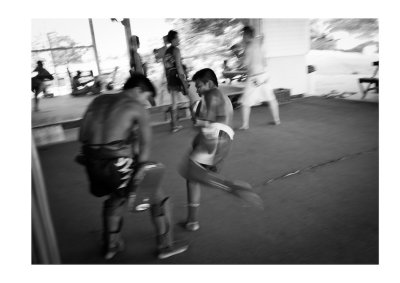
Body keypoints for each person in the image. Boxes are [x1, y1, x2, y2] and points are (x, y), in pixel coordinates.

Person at [77, 73, 188, 260]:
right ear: (138, 90)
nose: (145, 104)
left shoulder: (100, 99)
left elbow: (82, 135)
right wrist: (140, 177)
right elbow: (145, 147)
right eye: (145, 98)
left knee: (115, 197)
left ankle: (111, 246)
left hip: (91, 162)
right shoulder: (136, 107)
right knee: (159, 200)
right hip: (116, 163)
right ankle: (165, 245)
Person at [181, 68, 262, 232]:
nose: (196, 90)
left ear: (209, 83)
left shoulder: (211, 95)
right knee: (193, 177)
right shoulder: (222, 97)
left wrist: (194, 112)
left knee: (191, 173)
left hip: (213, 137)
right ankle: (192, 221)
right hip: (222, 139)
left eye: (198, 86)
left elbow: (204, 122)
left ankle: (232, 187)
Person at [238, 26, 280, 130]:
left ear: (246, 35)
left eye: (243, 36)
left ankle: (245, 125)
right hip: (264, 75)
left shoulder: (249, 47)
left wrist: (240, 57)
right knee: (271, 98)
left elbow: (245, 63)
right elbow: (265, 62)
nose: (242, 38)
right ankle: (277, 120)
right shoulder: (260, 44)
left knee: (245, 102)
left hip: (254, 78)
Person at [163, 30, 190, 133]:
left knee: (174, 101)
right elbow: (178, 66)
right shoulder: (176, 50)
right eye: (178, 38)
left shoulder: (167, 52)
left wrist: (168, 80)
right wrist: (184, 80)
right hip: (177, 76)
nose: (179, 39)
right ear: (173, 39)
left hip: (170, 77)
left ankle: (174, 125)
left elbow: (165, 67)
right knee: (191, 95)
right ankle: (198, 119)